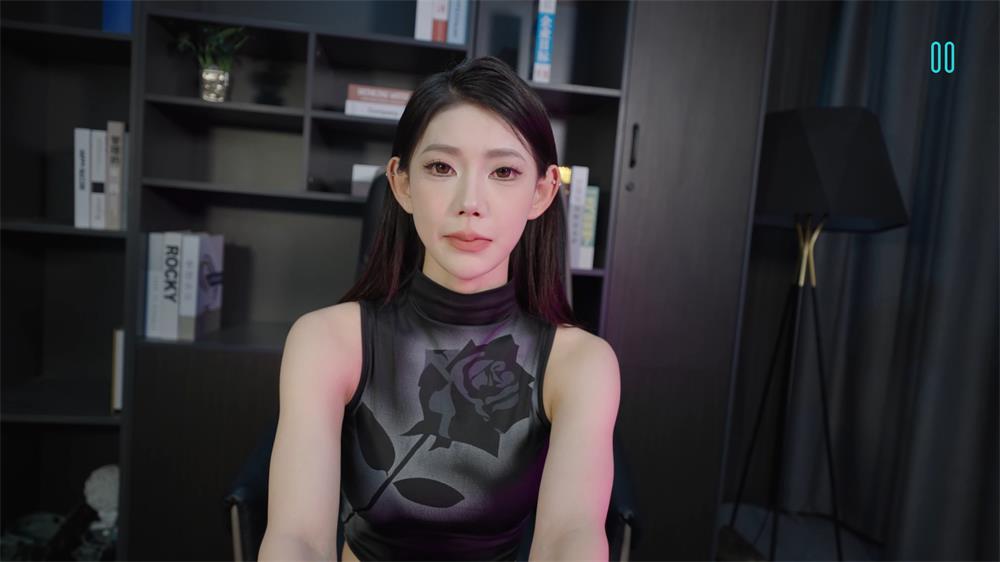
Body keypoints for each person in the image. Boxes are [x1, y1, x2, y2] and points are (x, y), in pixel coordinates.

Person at [258, 55, 621, 562]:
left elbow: (571, 537)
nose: (470, 202)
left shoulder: (581, 363)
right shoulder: (325, 341)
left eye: (504, 171)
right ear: (402, 183)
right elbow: (296, 536)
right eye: (441, 167)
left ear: (541, 193)